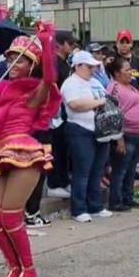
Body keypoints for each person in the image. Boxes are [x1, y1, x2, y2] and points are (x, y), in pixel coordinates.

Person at [0, 27, 60, 277]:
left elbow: (49, 77)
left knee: (10, 216)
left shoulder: (35, 92)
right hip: (1, 153)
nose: (13, 63)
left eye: (19, 59)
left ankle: (28, 269)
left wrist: (46, 43)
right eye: (10, 58)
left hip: (24, 153)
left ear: (30, 64)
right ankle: (14, 267)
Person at [61, 50, 113, 222]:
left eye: (94, 66)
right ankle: (79, 209)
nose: (92, 69)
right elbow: (74, 104)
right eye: (89, 66)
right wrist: (97, 103)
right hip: (80, 129)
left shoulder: (95, 82)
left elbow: (106, 98)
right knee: (82, 171)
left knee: (97, 171)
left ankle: (95, 205)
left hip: (100, 129)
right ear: (78, 65)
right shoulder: (71, 83)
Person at [107, 56, 139, 211]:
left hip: (138, 135)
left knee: (131, 169)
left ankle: (128, 197)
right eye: (127, 70)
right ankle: (116, 201)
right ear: (117, 73)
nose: (130, 73)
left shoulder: (130, 87)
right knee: (120, 170)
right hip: (126, 135)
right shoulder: (114, 88)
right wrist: (119, 140)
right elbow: (113, 115)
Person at [45, 31, 78, 199]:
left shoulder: (65, 64)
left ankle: (64, 181)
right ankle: (54, 183)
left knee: (64, 149)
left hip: (66, 114)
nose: (72, 47)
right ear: (59, 44)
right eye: (70, 44)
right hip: (55, 114)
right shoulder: (53, 63)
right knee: (56, 149)